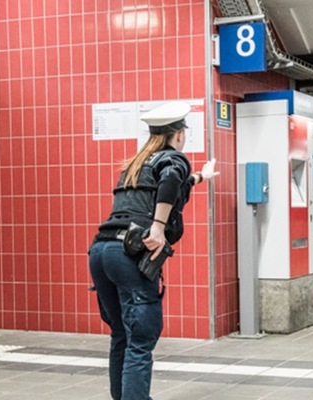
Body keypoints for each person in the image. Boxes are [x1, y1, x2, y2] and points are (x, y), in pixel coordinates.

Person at [88, 102, 219, 400]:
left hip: (101, 250)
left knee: (121, 334)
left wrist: (201, 176)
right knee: (141, 339)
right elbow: (172, 179)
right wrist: (158, 227)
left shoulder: (137, 162)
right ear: (178, 134)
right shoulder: (175, 157)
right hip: (128, 253)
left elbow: (174, 183)